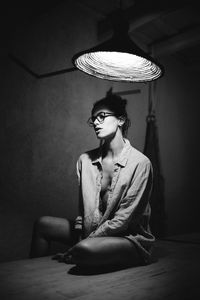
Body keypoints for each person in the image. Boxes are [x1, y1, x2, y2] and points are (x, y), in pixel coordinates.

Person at [30, 89, 155, 269]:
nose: (96, 122)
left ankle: (85, 250)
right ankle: (32, 277)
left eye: (102, 116)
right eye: (93, 119)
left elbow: (124, 220)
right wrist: (81, 233)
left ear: (120, 120)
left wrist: (82, 243)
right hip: (93, 232)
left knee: (86, 249)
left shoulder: (140, 163)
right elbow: (83, 211)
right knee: (43, 224)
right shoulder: (85, 160)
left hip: (127, 237)